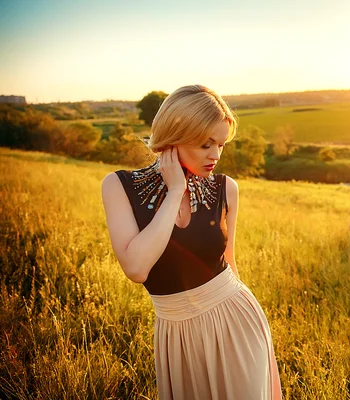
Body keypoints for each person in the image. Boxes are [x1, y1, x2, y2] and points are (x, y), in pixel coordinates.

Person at [101, 84, 282, 399]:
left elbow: (229, 261)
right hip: (177, 332)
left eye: (221, 145)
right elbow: (137, 268)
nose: (215, 155)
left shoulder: (226, 188)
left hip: (236, 321)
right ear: (174, 136)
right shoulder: (118, 186)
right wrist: (173, 192)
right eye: (205, 144)